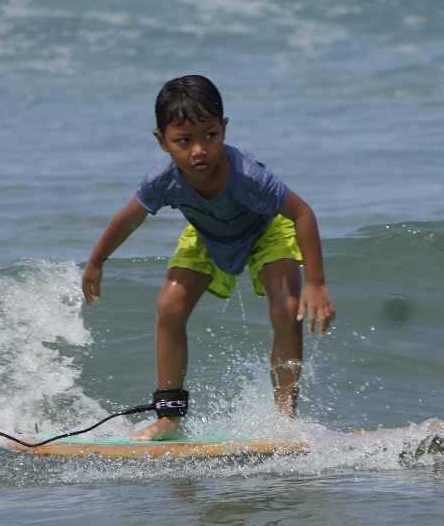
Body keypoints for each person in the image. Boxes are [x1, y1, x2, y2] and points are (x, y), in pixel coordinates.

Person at [81, 75, 335, 441]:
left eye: (210, 136)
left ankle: (284, 422)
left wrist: (316, 282)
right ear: (162, 141)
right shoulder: (162, 180)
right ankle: (169, 417)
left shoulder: (248, 176)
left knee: (286, 308)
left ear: (224, 129)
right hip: (206, 234)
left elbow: (302, 213)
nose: (199, 150)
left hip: (267, 231)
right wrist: (97, 261)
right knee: (169, 306)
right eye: (184, 141)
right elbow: (129, 217)